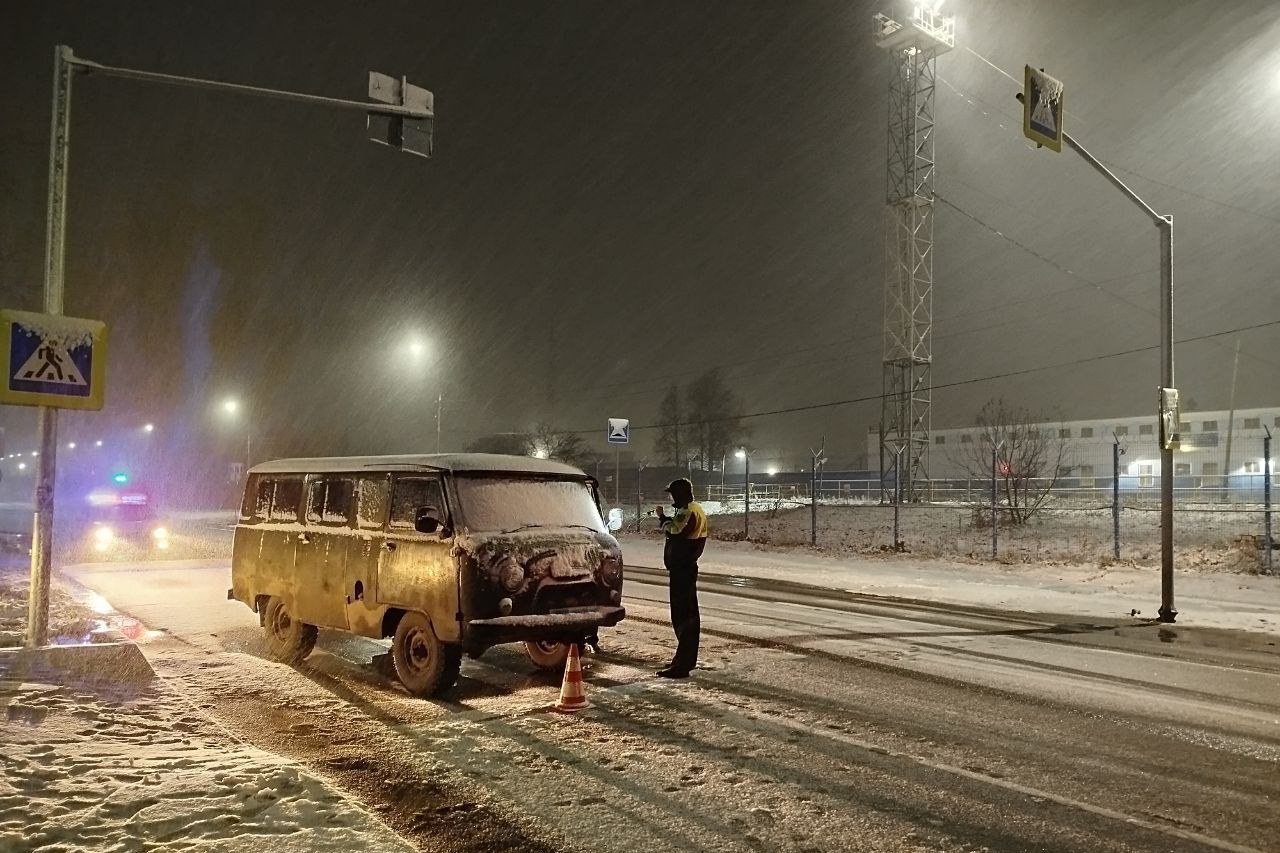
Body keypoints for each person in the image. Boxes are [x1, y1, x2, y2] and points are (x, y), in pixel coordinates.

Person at [654, 478, 708, 678]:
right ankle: (683, 659)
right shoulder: (694, 509)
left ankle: (683, 664)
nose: (670, 498)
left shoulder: (688, 511)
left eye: (672, 494)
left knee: (683, 616)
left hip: (682, 569)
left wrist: (662, 518)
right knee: (687, 615)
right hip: (685, 567)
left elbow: (676, 531)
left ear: (679, 494)